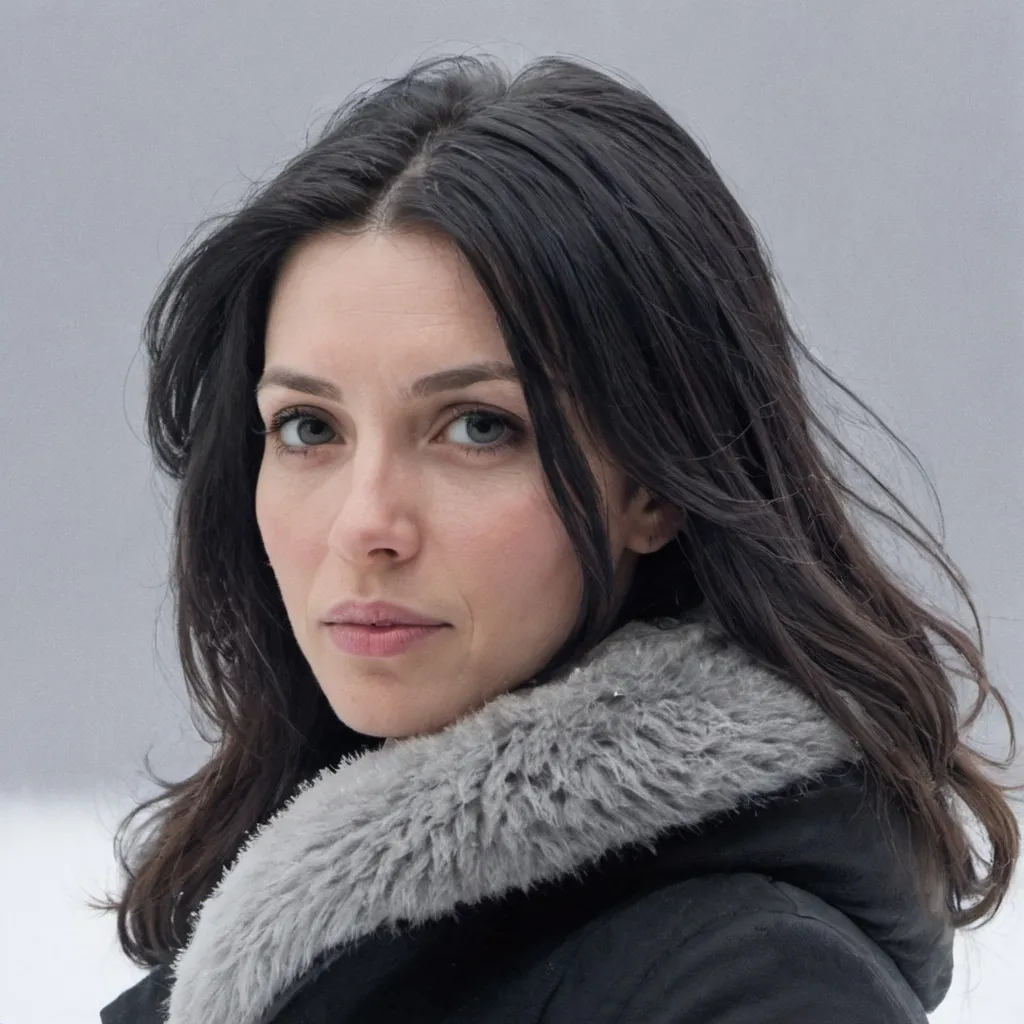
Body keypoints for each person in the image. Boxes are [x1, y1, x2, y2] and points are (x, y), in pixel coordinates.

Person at [94, 54, 1020, 1024]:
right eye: (309, 428)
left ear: (655, 483)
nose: (365, 523)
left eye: (477, 427)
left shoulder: (754, 993)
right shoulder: (236, 974)